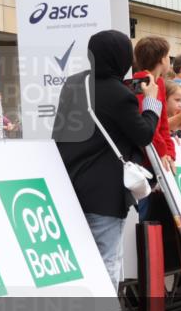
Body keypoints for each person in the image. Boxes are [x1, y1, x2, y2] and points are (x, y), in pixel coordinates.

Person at [53, 30, 161, 287]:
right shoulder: (119, 93)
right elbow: (143, 134)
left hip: (70, 185)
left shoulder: (73, 84)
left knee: (78, 260)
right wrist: (151, 103)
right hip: (105, 193)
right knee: (107, 260)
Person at [133, 36, 177, 173]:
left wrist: (169, 151)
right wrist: (162, 150)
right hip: (144, 154)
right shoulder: (139, 82)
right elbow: (145, 119)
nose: (169, 60)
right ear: (163, 59)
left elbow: (163, 122)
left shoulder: (160, 83)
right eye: (169, 56)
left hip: (156, 150)